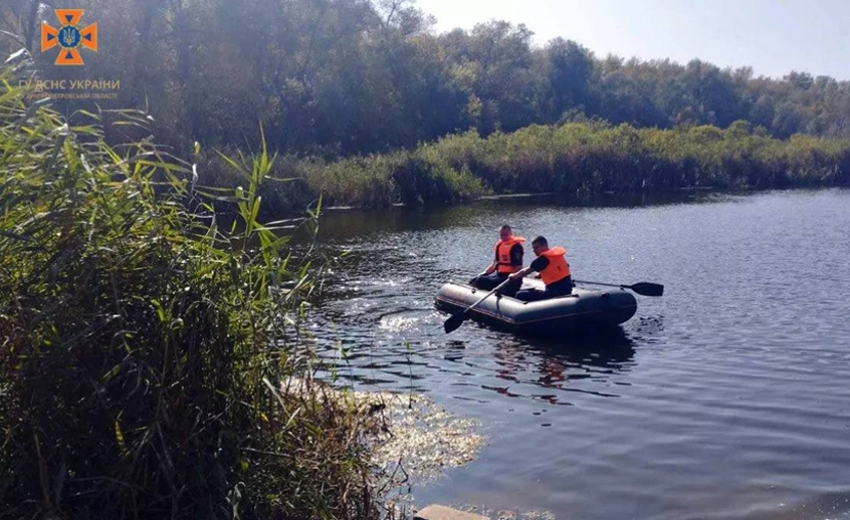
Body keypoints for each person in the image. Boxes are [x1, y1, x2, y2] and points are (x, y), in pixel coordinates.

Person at [509, 236, 573, 302]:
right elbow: (559, 268)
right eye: (533, 248)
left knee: (520, 294)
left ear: (544, 245)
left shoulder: (543, 259)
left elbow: (526, 271)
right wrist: (540, 275)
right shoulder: (556, 255)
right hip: (567, 291)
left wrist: (514, 276)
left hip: (553, 293)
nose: (534, 251)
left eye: (536, 248)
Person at [469, 224, 524, 298]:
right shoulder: (500, 245)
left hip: (511, 279)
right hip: (500, 276)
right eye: (502, 235)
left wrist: (508, 281)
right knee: (480, 279)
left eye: (505, 234)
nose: (503, 237)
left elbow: (518, 268)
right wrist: (482, 274)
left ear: (510, 233)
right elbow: (495, 264)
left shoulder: (516, 247)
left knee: (482, 280)